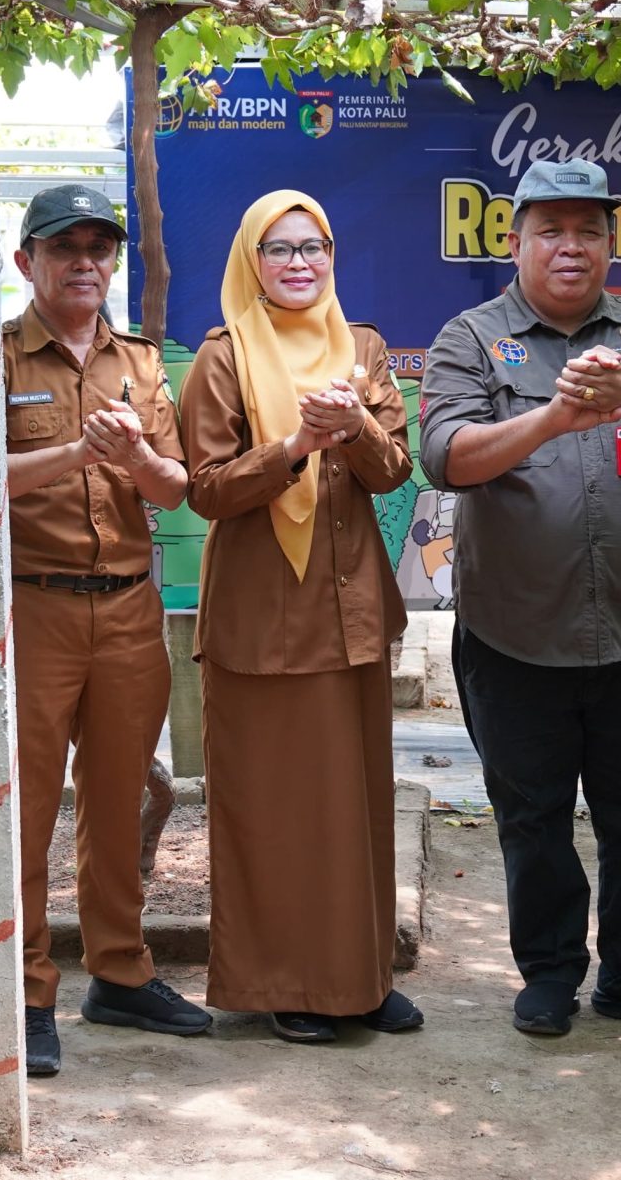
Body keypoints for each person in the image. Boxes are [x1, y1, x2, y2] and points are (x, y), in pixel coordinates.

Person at [418, 157, 621, 1039]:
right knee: (533, 815)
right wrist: (552, 416)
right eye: (550, 229)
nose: (571, 246)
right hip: (513, 632)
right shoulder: (472, 336)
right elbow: (444, 457)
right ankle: (550, 971)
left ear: (608, 245)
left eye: (589, 229)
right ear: (516, 242)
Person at [178, 190, 423, 1043]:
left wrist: (353, 428)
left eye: (312, 246)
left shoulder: (362, 348)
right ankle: (287, 981)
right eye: (278, 249)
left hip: (351, 611)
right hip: (263, 616)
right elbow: (206, 489)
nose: (298, 263)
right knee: (278, 808)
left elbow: (393, 470)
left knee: (356, 806)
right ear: (252, 261)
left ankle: (359, 976)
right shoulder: (223, 356)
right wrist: (293, 448)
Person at [0, 184, 203, 1078]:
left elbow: (174, 486)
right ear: (26, 261)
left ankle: (119, 970)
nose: (85, 263)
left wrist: (136, 456)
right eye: (64, 248)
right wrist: (77, 452)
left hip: (126, 604)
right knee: (26, 805)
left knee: (116, 797)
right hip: (32, 605)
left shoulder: (141, 363)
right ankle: (25, 989)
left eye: (99, 249)